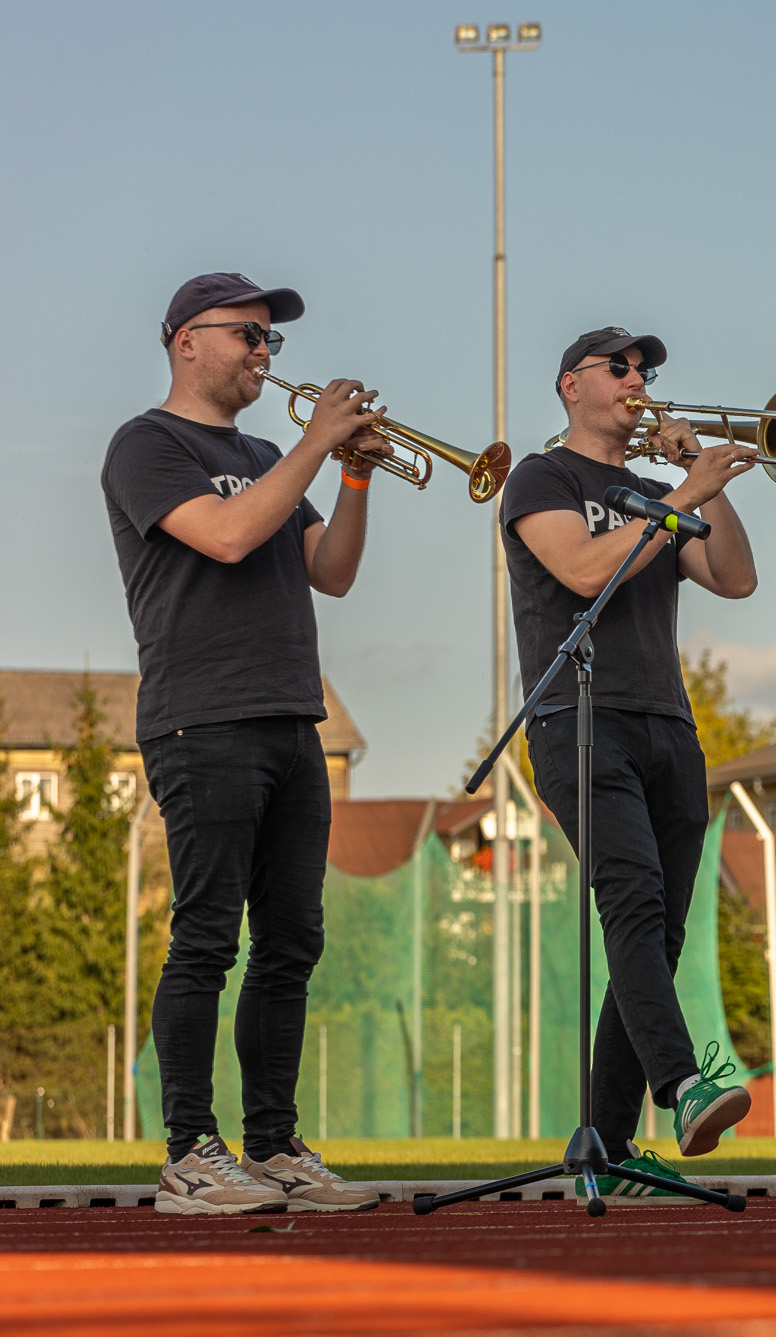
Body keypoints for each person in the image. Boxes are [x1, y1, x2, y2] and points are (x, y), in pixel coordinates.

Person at [104, 272, 386, 1215]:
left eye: (272, 341)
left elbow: (333, 574)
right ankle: (189, 1148)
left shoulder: (272, 451)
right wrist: (313, 445)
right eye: (249, 336)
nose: (266, 354)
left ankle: (270, 1145)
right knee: (207, 937)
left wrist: (350, 477)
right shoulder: (148, 443)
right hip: (203, 716)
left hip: (290, 718)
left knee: (293, 943)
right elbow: (224, 537)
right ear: (187, 341)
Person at [501, 328, 757, 1198]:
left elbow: (734, 578)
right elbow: (580, 570)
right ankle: (684, 1085)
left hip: (664, 721)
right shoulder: (542, 478)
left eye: (644, 369)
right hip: (578, 716)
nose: (637, 380)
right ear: (572, 384)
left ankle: (604, 1150)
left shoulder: (658, 490)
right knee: (633, 899)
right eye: (620, 367)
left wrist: (703, 488)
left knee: (657, 930)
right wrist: (683, 491)